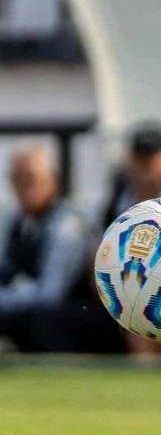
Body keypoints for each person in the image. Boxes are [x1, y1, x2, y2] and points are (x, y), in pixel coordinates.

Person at [0, 148, 89, 353]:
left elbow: (50, 294)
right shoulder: (14, 222)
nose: (24, 187)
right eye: (17, 179)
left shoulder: (67, 224)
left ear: (53, 180)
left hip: (65, 318)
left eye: (31, 178)